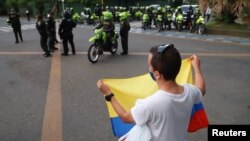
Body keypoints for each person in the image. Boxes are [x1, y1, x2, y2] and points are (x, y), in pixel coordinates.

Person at [97, 44, 206, 141]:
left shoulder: (149, 104)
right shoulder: (189, 92)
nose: (148, 68)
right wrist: (196, 67)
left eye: (149, 66)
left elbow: (125, 117)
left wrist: (108, 94)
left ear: (157, 74)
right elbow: (201, 89)